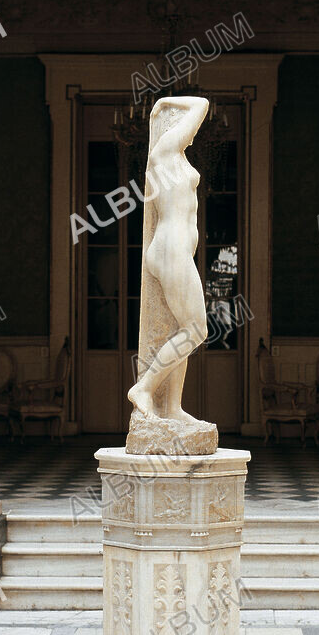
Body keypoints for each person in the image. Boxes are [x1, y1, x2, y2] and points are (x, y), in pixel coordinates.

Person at [128, 96, 209, 422]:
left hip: (174, 250)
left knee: (182, 329)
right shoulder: (164, 153)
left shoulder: (174, 159)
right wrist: (164, 102)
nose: (191, 136)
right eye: (186, 130)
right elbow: (201, 103)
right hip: (171, 249)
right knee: (196, 329)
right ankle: (144, 388)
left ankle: (172, 407)